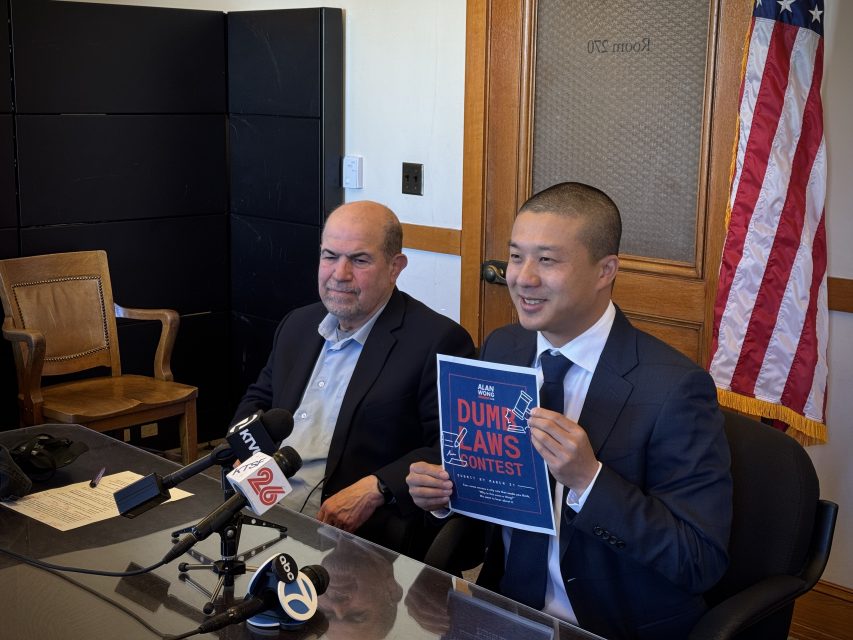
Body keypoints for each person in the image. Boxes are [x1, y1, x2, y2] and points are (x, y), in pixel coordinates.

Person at [406, 182, 732, 639]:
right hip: (502, 610)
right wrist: (443, 497)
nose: (522, 278)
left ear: (605, 271)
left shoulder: (675, 389)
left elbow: (699, 561)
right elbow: (494, 500)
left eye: (547, 260)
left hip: (609, 625)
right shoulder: (503, 347)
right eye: (516, 256)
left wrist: (589, 480)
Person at [233, 200, 475, 558]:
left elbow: (455, 448)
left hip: (347, 534)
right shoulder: (297, 325)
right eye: (330, 256)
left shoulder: (437, 341)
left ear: (395, 267)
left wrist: (378, 486)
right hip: (263, 507)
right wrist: (248, 455)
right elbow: (256, 401)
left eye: (359, 260)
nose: (339, 274)